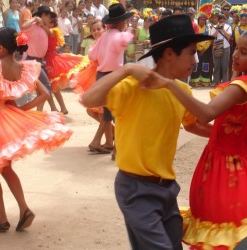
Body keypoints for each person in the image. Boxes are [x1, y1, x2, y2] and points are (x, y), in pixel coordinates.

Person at [138, 28, 247, 249]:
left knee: (219, 226)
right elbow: (209, 127)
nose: (235, 55)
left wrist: (170, 84)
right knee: (233, 227)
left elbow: (206, 114)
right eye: (237, 48)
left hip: (223, 167)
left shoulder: (241, 87)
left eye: (244, 52)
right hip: (238, 157)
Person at [81, 14, 214, 250]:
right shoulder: (132, 87)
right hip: (136, 189)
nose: (195, 60)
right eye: (191, 52)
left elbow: (192, 124)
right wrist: (128, 69)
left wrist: (230, 137)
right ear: (169, 54)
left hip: (167, 188)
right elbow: (88, 98)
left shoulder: (181, 90)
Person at [0, 27, 72, 232]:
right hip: (7, 119)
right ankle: (23, 208)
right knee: (4, 168)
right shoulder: (23, 68)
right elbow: (45, 94)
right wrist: (20, 111)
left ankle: (3, 218)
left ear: (0, 47)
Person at [86, 3, 134, 154]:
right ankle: (116, 149)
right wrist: (130, 30)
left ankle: (100, 142)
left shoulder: (104, 36)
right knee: (118, 113)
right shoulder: (119, 36)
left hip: (101, 76)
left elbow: (92, 55)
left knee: (108, 113)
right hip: (114, 77)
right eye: (125, 21)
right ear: (120, 22)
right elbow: (126, 41)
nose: (126, 23)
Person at [42, 16, 88, 114]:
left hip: (51, 60)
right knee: (51, 87)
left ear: (52, 24)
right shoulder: (49, 31)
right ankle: (58, 108)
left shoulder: (53, 31)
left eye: (47, 23)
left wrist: (39, 23)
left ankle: (57, 108)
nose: (45, 25)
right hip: (49, 58)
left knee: (49, 86)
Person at [23, 6, 58, 112]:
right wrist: (34, 19)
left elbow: (51, 34)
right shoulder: (33, 25)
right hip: (32, 61)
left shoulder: (44, 27)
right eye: (48, 16)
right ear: (43, 15)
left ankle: (39, 112)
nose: (50, 18)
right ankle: (29, 110)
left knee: (42, 89)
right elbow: (23, 26)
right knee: (46, 87)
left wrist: (42, 24)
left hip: (40, 61)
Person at [211, 13, 232, 86]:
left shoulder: (228, 27)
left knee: (225, 65)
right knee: (216, 65)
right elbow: (212, 37)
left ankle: (225, 82)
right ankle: (216, 81)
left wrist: (223, 29)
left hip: (226, 47)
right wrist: (217, 29)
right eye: (220, 21)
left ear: (225, 21)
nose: (222, 22)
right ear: (218, 20)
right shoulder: (214, 27)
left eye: (223, 21)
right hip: (216, 47)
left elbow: (229, 37)